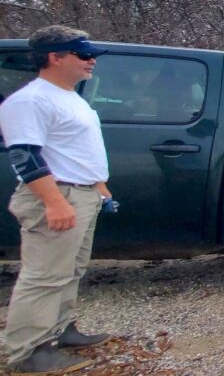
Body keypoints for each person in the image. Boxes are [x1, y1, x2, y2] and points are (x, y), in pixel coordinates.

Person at [1, 25, 114, 375]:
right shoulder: (31, 100)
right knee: (44, 276)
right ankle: (28, 352)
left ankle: (60, 331)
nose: (91, 60)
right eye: (83, 54)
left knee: (70, 271)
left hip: (83, 194)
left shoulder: (70, 95)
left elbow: (73, 149)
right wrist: (54, 202)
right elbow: (25, 156)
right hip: (57, 196)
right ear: (55, 57)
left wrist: (100, 186)